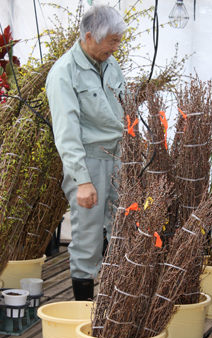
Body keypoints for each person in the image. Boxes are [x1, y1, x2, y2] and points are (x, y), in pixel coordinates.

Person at [46, 4, 126, 300]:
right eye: (112, 41)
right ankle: (83, 308)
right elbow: (66, 133)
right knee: (88, 240)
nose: (116, 48)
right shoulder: (64, 73)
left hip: (119, 158)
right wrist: (82, 180)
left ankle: (115, 302)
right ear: (90, 37)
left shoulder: (110, 63)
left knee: (124, 229)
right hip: (89, 163)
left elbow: (123, 110)